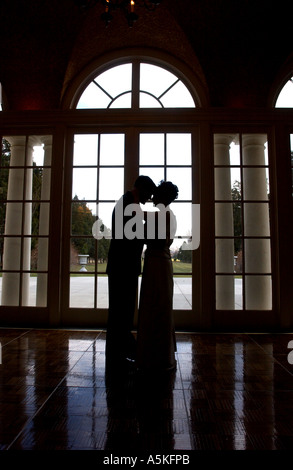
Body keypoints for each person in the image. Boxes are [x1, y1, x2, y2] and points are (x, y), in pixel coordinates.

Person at [105, 175, 156, 370]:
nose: (149, 198)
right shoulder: (127, 204)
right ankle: (118, 354)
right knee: (121, 311)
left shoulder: (129, 203)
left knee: (122, 311)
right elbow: (130, 234)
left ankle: (120, 352)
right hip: (122, 265)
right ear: (141, 188)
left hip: (124, 265)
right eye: (148, 193)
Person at [136, 180, 179, 372]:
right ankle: (160, 355)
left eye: (156, 195)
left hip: (156, 263)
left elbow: (152, 238)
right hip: (160, 262)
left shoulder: (162, 216)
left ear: (162, 197)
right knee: (160, 306)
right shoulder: (168, 215)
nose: (152, 198)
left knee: (155, 307)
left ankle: (154, 358)